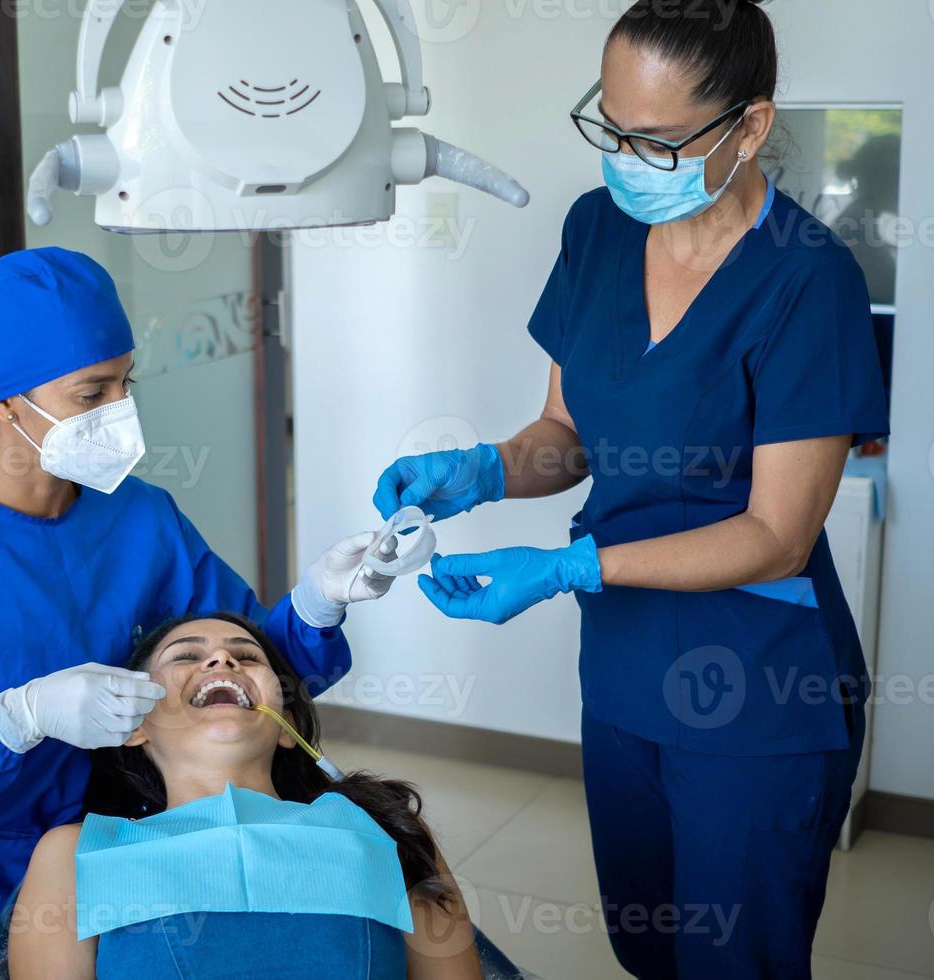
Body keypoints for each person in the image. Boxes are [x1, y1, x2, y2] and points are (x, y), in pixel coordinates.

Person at [373, 2, 888, 977]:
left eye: (653, 138)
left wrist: (570, 564)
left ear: (749, 126)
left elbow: (778, 532)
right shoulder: (597, 232)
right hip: (623, 670)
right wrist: (479, 470)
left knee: (736, 961)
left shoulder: (809, 281)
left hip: (759, 686)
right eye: (610, 124)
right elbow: (566, 434)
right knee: (646, 942)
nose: (622, 156)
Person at [0, 247, 394, 976]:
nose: (120, 411)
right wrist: (17, 718)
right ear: (4, 401)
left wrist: (316, 604)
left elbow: (243, 669)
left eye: (126, 384)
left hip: (122, 862)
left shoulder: (141, 521)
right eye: (91, 395)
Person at [7, 613, 497, 980]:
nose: (223, 660)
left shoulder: (383, 831)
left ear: (287, 730)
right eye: (185, 656)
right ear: (135, 726)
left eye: (248, 656)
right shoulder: (75, 854)